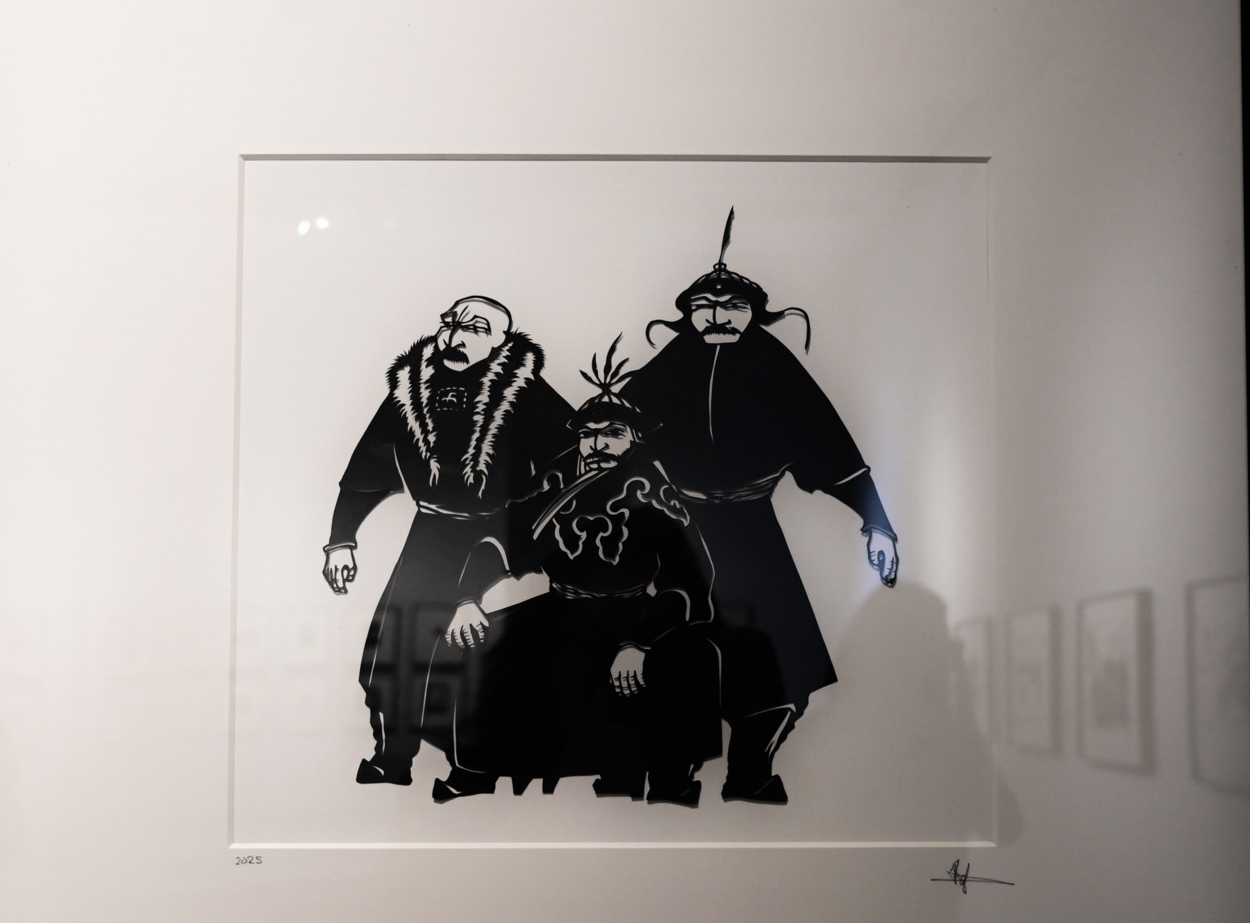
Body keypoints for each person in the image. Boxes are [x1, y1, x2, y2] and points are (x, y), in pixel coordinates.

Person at [619, 211, 898, 804]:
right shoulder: (669, 366)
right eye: (704, 307)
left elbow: (828, 446)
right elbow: (615, 436)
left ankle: (750, 772)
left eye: (733, 306)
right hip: (680, 534)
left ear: (754, 312)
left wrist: (875, 521)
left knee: (777, 661)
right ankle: (671, 778)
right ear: (688, 313)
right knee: (672, 651)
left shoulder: (775, 367)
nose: (717, 316)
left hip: (753, 535)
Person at [437, 340, 720, 807]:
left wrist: (638, 642)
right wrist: (467, 599)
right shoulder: (553, 486)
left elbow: (684, 585)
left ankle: (667, 783)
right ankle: (475, 772)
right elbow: (496, 541)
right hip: (562, 605)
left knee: (683, 662)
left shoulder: (657, 497)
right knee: (489, 650)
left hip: (637, 614)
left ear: (635, 440)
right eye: (588, 435)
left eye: (612, 434)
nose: (597, 444)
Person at [322, 296, 571, 787]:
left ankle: (473, 770)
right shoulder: (412, 388)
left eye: (475, 328)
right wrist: (341, 540)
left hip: (501, 537)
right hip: (430, 535)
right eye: (451, 324)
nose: (456, 337)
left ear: (501, 342)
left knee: (477, 654)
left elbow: (565, 464)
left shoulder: (525, 390)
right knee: (393, 651)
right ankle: (393, 759)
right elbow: (368, 466)